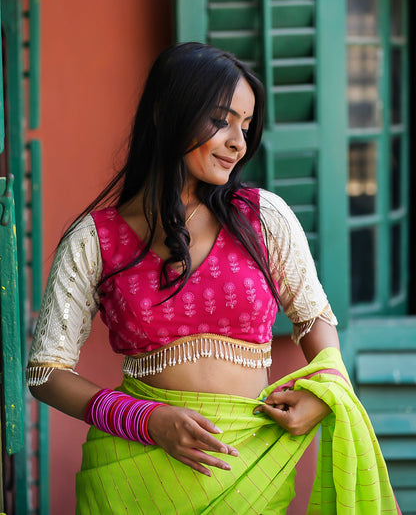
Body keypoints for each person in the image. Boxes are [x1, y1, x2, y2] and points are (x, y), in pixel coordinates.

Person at [27, 43, 400, 514]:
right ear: (166, 113)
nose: (238, 142)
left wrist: (328, 386)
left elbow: (313, 317)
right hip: (133, 477)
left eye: (246, 126)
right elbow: (45, 372)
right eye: (222, 120)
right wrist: (146, 420)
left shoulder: (263, 218)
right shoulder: (93, 239)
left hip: (250, 474)